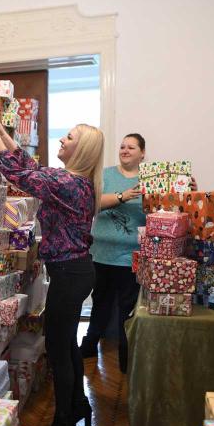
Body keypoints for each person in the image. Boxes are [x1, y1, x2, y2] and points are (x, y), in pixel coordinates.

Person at [0, 111, 103, 426]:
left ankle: (63, 423)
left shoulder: (67, 185)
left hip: (70, 274)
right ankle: (78, 407)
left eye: (68, 138)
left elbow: (18, 174)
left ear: (80, 149)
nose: (61, 140)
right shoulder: (73, 182)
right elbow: (30, 166)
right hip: (75, 271)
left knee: (59, 349)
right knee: (67, 345)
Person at [79, 134, 147, 372]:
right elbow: (91, 203)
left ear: (142, 154)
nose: (125, 150)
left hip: (132, 257)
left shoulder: (150, 178)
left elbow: (164, 210)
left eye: (131, 147)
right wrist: (122, 196)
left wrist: (188, 189)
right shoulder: (105, 175)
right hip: (101, 255)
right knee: (100, 304)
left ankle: (125, 357)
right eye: (122, 146)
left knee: (127, 310)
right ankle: (88, 347)